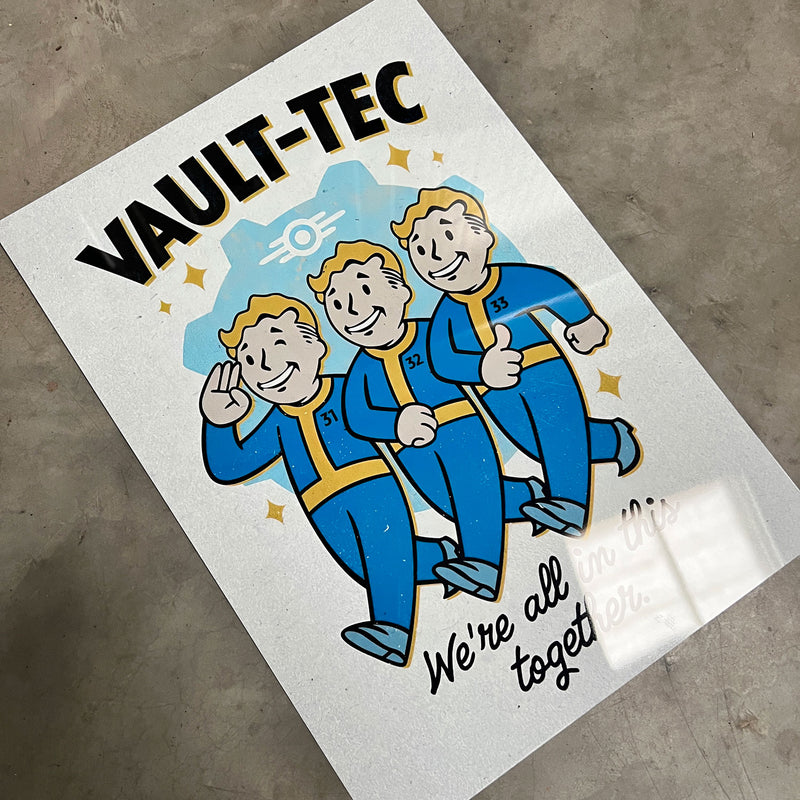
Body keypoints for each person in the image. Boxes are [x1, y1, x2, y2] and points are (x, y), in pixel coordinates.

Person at [200, 293, 457, 666]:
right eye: (251, 361)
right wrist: (218, 423)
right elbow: (231, 466)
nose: (267, 366)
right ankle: (441, 556)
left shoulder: (344, 390)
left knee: (383, 557)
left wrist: (402, 424)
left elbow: (377, 414)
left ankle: (393, 631)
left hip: (372, 488)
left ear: (316, 347)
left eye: (279, 346)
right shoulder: (278, 423)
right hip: (322, 505)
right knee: (365, 567)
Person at [391, 188, 641, 537]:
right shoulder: (445, 314)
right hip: (494, 394)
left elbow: (550, 287)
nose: (436, 256)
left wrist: (582, 319)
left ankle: (570, 505)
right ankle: (611, 439)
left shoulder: (509, 279)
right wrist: (480, 369)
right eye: (420, 250)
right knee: (534, 442)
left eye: (447, 237)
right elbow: (441, 360)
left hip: (542, 370)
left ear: (482, 235)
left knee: (556, 432)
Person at [308, 241, 545, 603]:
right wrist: (394, 425)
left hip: (459, 428)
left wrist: (485, 366)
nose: (354, 311)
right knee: (450, 503)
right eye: (338, 306)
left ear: (402, 291)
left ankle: (484, 566)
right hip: (411, 451)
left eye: (366, 291)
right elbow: (358, 416)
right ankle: (527, 495)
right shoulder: (361, 370)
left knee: (472, 493)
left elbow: (452, 361)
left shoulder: (428, 334)